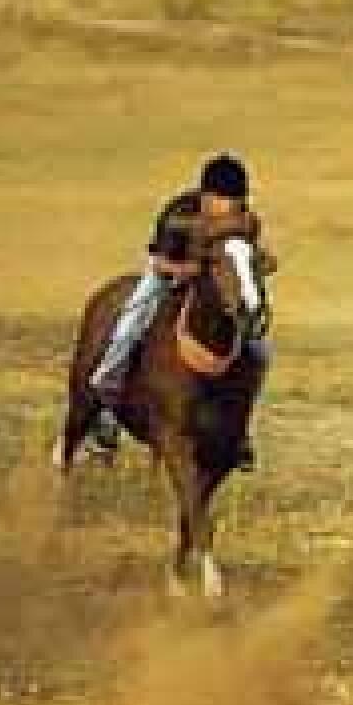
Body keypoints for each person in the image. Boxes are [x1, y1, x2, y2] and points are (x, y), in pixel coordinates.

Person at [87, 153, 270, 469]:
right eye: (227, 201)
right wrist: (190, 271)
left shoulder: (245, 221)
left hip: (210, 293)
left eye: (238, 202)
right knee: (130, 325)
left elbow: (245, 259)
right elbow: (159, 262)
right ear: (207, 197)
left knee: (260, 351)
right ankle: (106, 402)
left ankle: (238, 429)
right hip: (167, 277)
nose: (233, 209)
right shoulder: (179, 216)